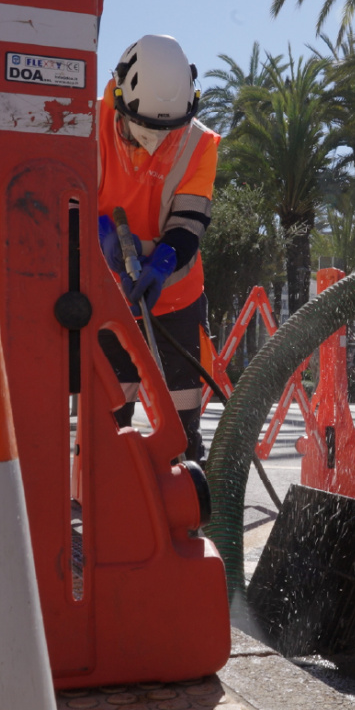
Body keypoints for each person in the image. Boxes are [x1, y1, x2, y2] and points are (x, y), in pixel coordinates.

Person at [96, 34, 220, 462]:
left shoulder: (199, 145)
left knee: (184, 399)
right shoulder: (88, 123)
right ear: (119, 97)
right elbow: (69, 191)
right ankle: (104, 477)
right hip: (109, 293)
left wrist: (164, 262)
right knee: (111, 402)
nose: (155, 140)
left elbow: (189, 222)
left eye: (166, 129)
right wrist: (101, 233)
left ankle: (186, 471)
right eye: (145, 127)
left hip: (176, 293)